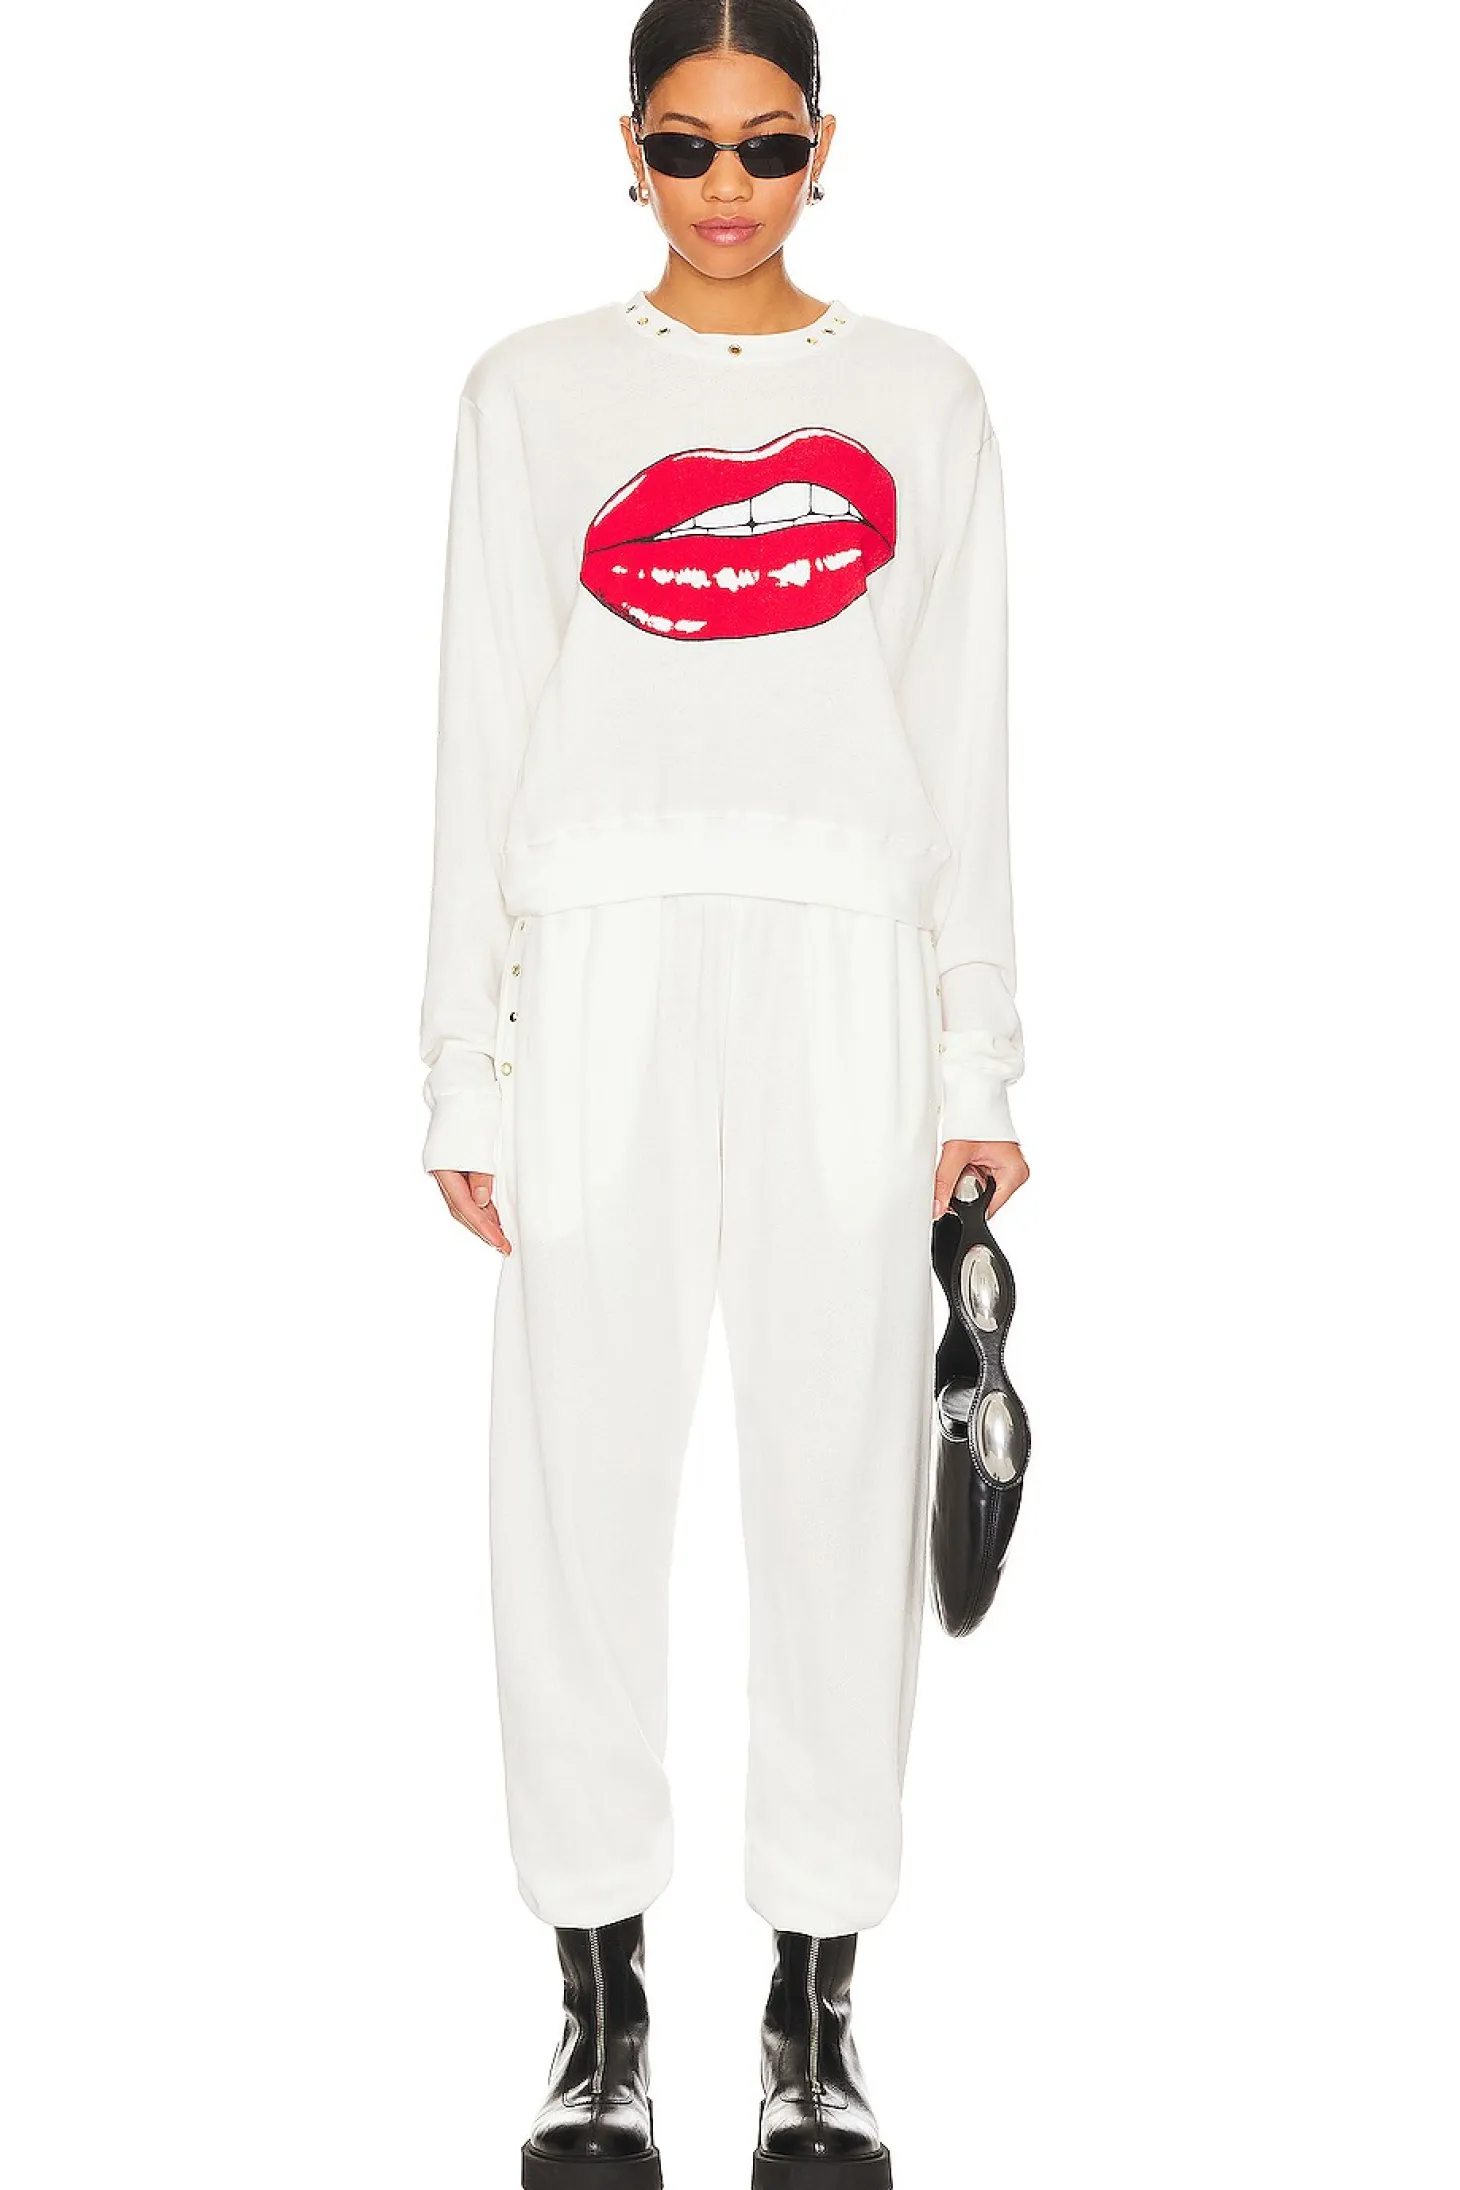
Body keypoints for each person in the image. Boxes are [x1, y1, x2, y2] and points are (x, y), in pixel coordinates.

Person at [417, 4, 1031, 2183]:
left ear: (824, 145)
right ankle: (598, 2013)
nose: (727, 188)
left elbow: (963, 740)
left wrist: (977, 1049)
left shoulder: (926, 395)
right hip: (595, 956)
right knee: (572, 1484)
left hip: (845, 965)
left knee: (838, 1475)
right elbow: (482, 718)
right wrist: (463, 1059)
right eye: (686, 146)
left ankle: (813, 2010)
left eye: (766, 144)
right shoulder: (529, 391)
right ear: (629, 147)